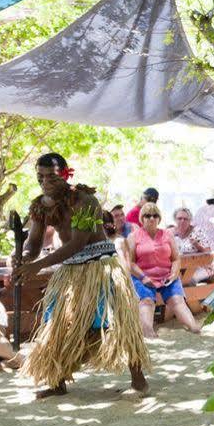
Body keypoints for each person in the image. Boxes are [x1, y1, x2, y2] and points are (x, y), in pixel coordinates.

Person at [17, 152, 149, 398]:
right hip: (70, 271)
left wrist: (39, 265)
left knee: (118, 323)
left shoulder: (85, 200)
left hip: (99, 266)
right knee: (56, 324)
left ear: (66, 174)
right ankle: (57, 382)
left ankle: (139, 381)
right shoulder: (39, 205)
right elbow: (33, 243)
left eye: (51, 177)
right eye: (40, 177)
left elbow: (78, 242)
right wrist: (25, 258)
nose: (45, 182)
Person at [122, 202, 203, 337]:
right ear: (142, 218)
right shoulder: (133, 236)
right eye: (147, 216)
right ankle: (148, 331)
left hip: (167, 276)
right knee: (147, 301)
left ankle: (194, 327)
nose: (152, 218)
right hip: (143, 277)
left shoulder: (167, 234)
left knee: (177, 300)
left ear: (159, 218)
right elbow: (130, 262)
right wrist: (143, 278)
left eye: (155, 215)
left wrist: (174, 274)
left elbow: (176, 259)